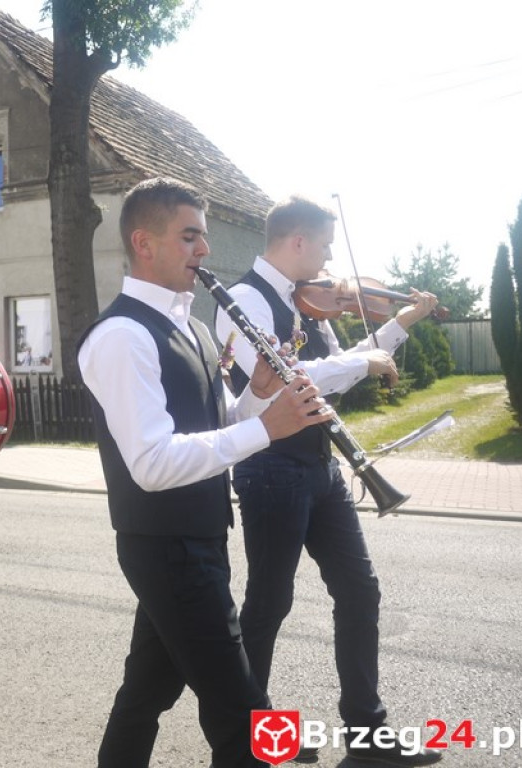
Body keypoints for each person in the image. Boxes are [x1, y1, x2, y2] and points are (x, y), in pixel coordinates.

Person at [78, 178, 335, 768]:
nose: (204, 251)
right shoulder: (122, 336)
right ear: (144, 242)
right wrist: (267, 430)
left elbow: (212, 425)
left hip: (198, 537)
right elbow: (151, 464)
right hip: (167, 548)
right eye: (190, 236)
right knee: (241, 716)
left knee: (146, 692)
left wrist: (259, 401)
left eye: (205, 237)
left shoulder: (190, 325)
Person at [214, 195, 443, 766]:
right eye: (325, 245)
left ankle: (367, 732)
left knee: (360, 591)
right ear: (297, 241)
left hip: (321, 465)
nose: (331, 259)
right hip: (270, 468)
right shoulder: (243, 300)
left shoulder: (308, 306)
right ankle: (254, 737)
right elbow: (284, 379)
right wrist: (359, 364)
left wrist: (400, 324)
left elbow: (340, 374)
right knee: (269, 603)